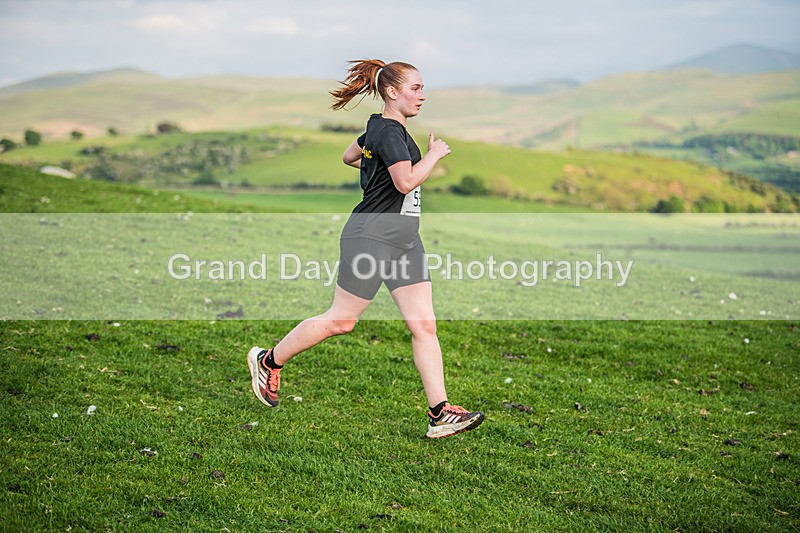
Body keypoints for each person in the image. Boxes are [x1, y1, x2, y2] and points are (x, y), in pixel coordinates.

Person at [247, 59, 484, 439]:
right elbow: (405, 182)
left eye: (423, 89)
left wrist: (373, 165)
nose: (422, 96)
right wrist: (434, 156)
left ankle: (440, 412)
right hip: (371, 236)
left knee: (424, 325)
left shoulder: (379, 128)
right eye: (416, 88)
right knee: (342, 321)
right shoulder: (389, 132)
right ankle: (268, 361)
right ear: (393, 91)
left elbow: (349, 156)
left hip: (405, 240)